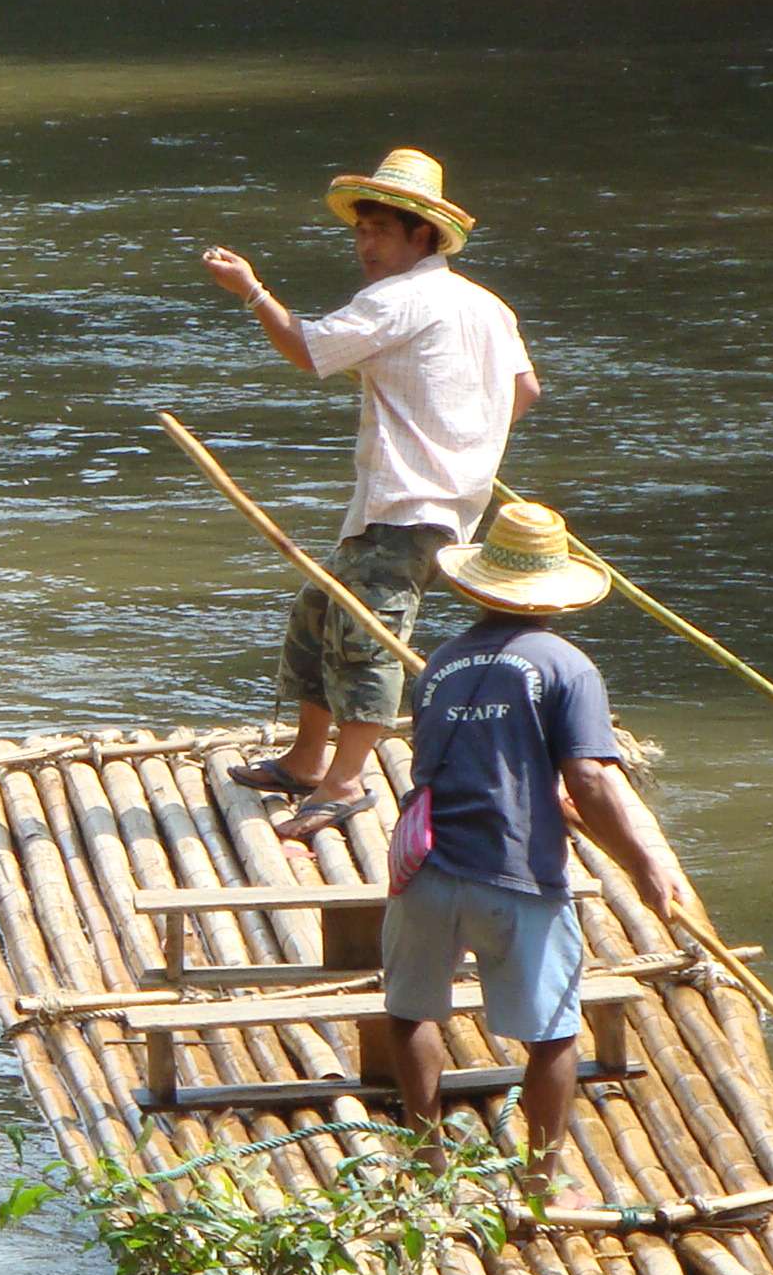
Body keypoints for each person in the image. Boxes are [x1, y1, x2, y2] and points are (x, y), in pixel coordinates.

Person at [197, 148, 537, 843]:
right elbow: (523, 392)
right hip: (443, 499)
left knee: (367, 636)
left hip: (410, 501)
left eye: (379, 230)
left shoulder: (401, 298)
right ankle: (304, 757)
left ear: (422, 235)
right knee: (319, 612)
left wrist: (253, 292)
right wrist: (466, 438)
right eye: (359, 231)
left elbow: (309, 349)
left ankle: (344, 782)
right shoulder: (487, 306)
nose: (366, 245)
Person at [379, 500, 685, 1205]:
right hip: (515, 873)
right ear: (553, 592)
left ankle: (428, 1169)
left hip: (425, 869)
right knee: (552, 1034)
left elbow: (472, 764)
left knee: (412, 1013)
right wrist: (645, 864)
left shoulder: (440, 667)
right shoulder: (567, 665)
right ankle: (540, 1185)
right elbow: (590, 775)